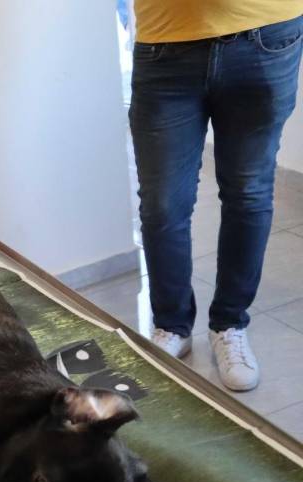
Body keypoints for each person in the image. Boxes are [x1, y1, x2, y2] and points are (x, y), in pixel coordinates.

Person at [130, 1, 303, 391]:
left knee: (248, 192)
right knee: (162, 205)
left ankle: (229, 324)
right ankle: (171, 325)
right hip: (165, 44)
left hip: (266, 34)